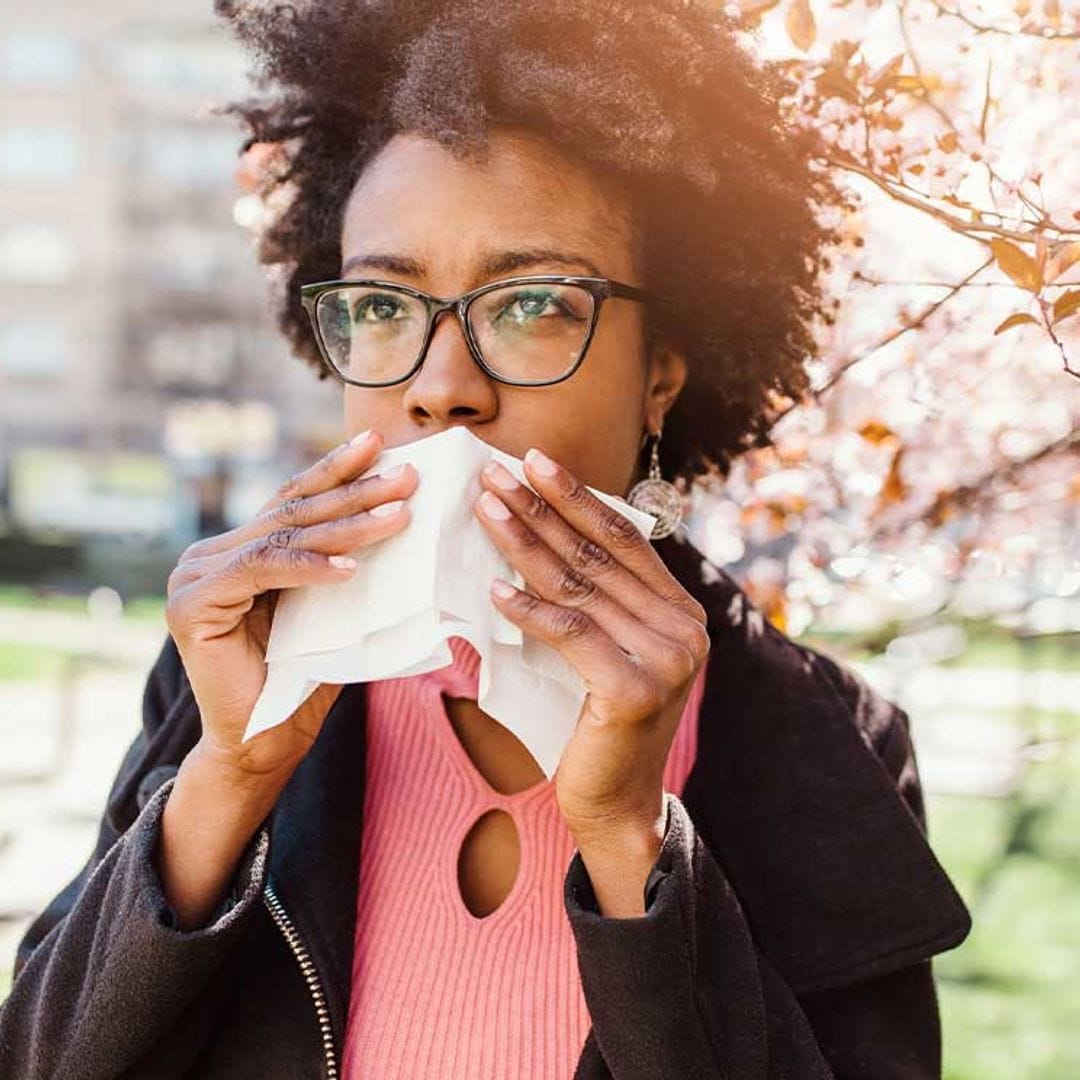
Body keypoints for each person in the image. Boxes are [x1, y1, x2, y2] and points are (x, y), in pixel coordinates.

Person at [0, 1, 972, 1077]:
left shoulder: (821, 740)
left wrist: (627, 841)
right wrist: (232, 775)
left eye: (533, 306)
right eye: (380, 306)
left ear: (662, 373)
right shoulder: (240, 674)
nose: (440, 388)